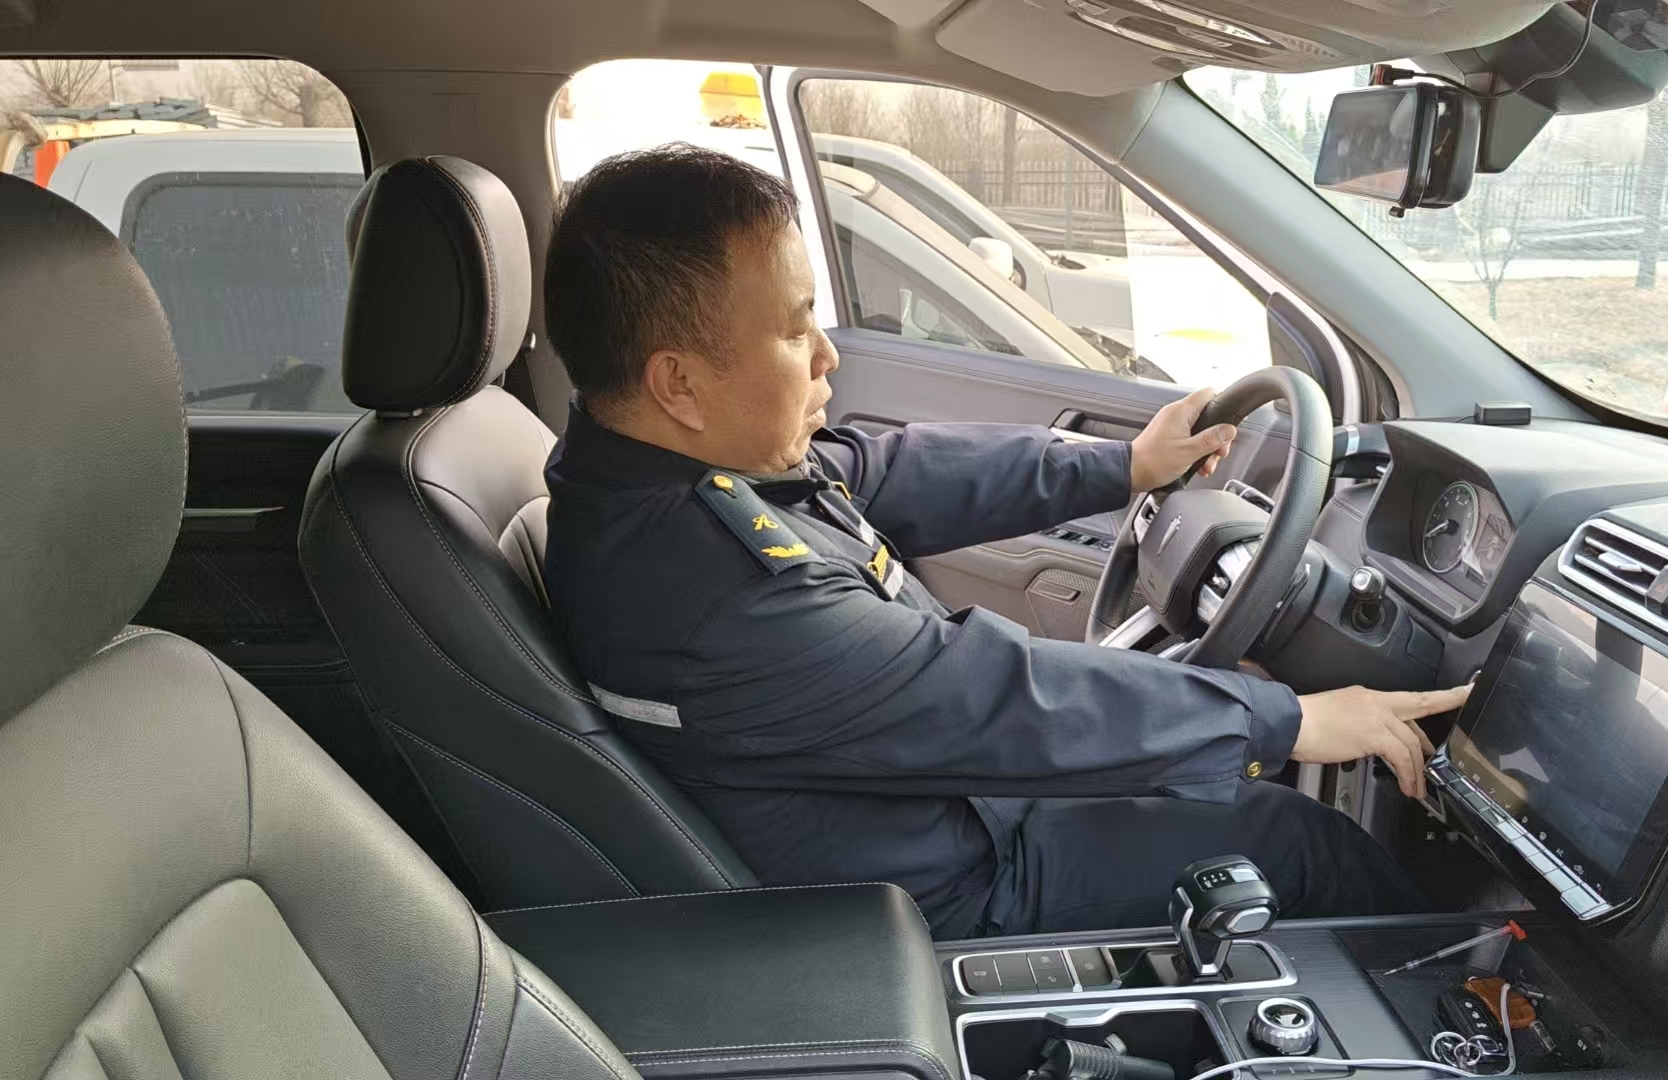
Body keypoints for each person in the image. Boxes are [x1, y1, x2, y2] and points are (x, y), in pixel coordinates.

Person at [542, 144, 1468, 939]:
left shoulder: (664, 469)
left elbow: (892, 471)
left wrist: (1124, 467)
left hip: (934, 804)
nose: (828, 353)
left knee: (1229, 781)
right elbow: (989, 698)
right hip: (948, 889)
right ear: (679, 383)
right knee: (1298, 843)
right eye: (793, 330)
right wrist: (1289, 722)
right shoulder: (716, 593)